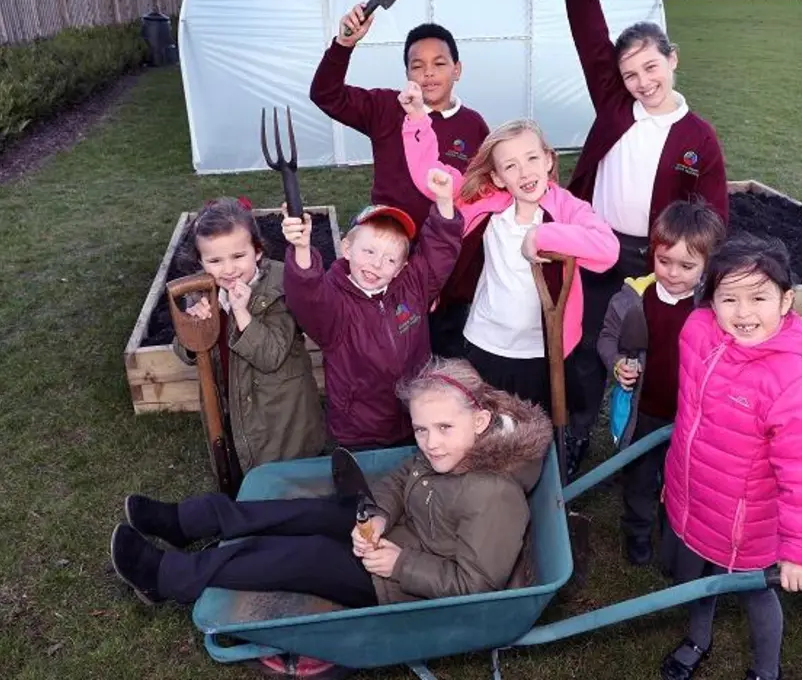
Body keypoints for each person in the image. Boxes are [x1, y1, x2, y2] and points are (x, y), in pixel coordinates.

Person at [109, 357, 553, 611]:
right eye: (420, 430)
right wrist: (377, 516)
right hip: (394, 537)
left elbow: (475, 585)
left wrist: (397, 565)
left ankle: (166, 577)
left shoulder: (495, 494)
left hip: (400, 584)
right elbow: (402, 478)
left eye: (442, 428)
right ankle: (188, 521)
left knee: (307, 555)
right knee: (315, 513)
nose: (430, 443)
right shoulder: (458, 445)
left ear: (479, 420)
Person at [529, 0, 729, 478]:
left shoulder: (699, 138)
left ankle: (654, 444)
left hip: (657, 261)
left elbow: (713, 216)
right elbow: (590, 34)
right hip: (597, 249)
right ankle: (573, 439)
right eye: (629, 74)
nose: (642, 82)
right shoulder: (617, 107)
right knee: (588, 346)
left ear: (673, 60)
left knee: (650, 353)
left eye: (650, 67)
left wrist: (694, 268)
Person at [658, 233, 802, 680]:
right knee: (699, 579)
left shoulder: (788, 379)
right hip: (695, 495)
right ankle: (698, 638)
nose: (743, 313)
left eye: (759, 298)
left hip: (745, 521)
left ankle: (766, 670)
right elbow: (690, 418)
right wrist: (674, 477)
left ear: (786, 300)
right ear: (710, 300)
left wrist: (801, 551)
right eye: (728, 298)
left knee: (755, 596)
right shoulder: (697, 331)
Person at [401, 80, 619, 413]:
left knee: (532, 425)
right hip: (484, 341)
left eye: (531, 158)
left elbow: (607, 249)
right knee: (485, 422)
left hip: (540, 348)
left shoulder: (568, 208)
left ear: (548, 160)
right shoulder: (485, 200)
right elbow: (431, 178)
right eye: (510, 166)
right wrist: (417, 117)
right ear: (499, 177)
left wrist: (543, 237)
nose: (524, 172)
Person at [310, 10, 490, 358]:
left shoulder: (474, 126)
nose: (428, 73)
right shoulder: (387, 108)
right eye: (416, 65)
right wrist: (344, 44)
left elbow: (476, 205)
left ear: (457, 69)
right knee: (386, 347)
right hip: (388, 254)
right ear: (407, 72)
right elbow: (325, 94)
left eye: (439, 63)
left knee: (443, 351)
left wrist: (446, 284)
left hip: (446, 267)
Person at [280, 171, 462, 451]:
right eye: (369, 252)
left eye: (390, 259)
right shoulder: (334, 302)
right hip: (360, 430)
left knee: (411, 483)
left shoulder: (412, 286)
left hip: (414, 415)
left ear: (401, 267)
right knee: (366, 488)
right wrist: (302, 248)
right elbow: (307, 298)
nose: (377, 265)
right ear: (347, 249)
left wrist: (444, 202)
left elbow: (439, 252)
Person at [597, 200, 726, 566]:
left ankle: (677, 531)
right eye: (663, 261)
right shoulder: (632, 300)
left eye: (687, 266)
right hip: (646, 412)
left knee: (685, 478)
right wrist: (618, 363)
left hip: (691, 417)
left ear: (707, 265)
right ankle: (637, 531)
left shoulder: (711, 310)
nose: (672, 273)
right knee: (639, 477)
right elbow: (607, 338)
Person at [172, 196, 325, 472]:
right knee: (243, 468)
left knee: (287, 478)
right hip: (234, 404)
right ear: (201, 261)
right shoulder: (199, 291)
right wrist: (194, 325)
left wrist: (242, 313)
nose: (228, 269)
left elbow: (271, 355)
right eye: (215, 260)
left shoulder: (280, 285)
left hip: (282, 414)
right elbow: (187, 353)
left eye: (238, 256)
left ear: (257, 251)